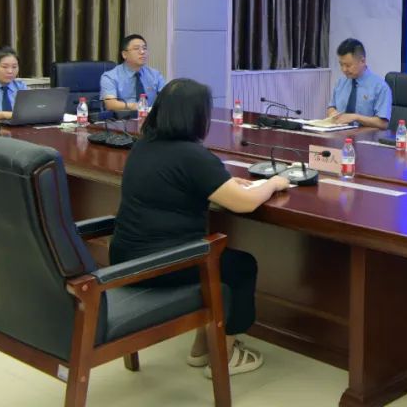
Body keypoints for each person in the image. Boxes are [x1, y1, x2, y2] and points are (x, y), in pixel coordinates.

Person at [109, 78, 290, 377]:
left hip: (124, 258)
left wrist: (226, 183)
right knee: (239, 266)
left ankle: (201, 348)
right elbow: (244, 204)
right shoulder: (192, 155)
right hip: (162, 265)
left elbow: (181, 183)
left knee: (215, 259)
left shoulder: (143, 146)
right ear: (196, 116)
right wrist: (272, 183)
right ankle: (224, 356)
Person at [325, 38, 392, 129]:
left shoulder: (380, 87)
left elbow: (383, 123)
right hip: (339, 134)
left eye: (348, 65)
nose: (344, 69)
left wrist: (356, 117)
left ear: (362, 61)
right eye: (341, 65)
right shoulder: (340, 82)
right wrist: (332, 112)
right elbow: (331, 106)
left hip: (366, 136)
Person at [100, 34, 166, 111]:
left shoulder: (155, 75)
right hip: (124, 117)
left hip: (151, 117)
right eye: (136, 48)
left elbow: (167, 98)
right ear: (124, 54)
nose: (142, 52)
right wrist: (137, 107)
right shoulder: (110, 77)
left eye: (144, 48)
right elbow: (110, 104)